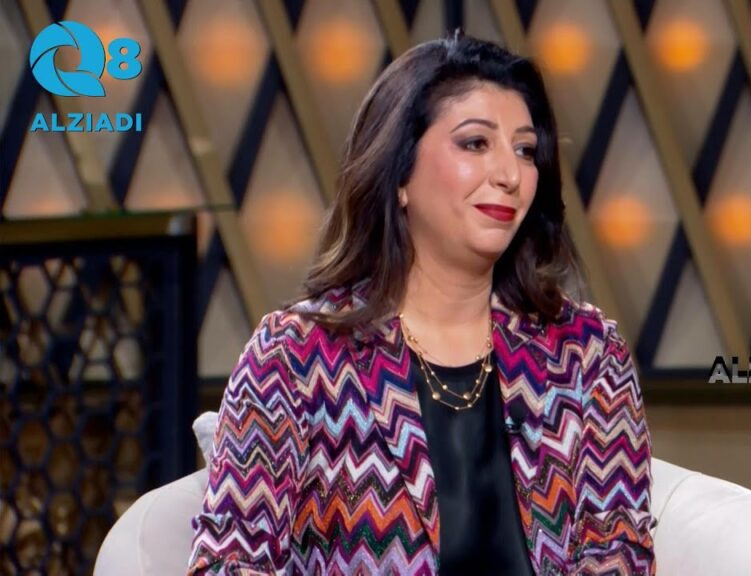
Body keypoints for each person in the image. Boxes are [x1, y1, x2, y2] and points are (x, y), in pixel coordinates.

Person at [186, 31, 656, 575]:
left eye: (525, 150)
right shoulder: (298, 356)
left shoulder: (586, 353)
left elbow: (619, 554)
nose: (510, 175)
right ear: (400, 173)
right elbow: (229, 562)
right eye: (475, 143)